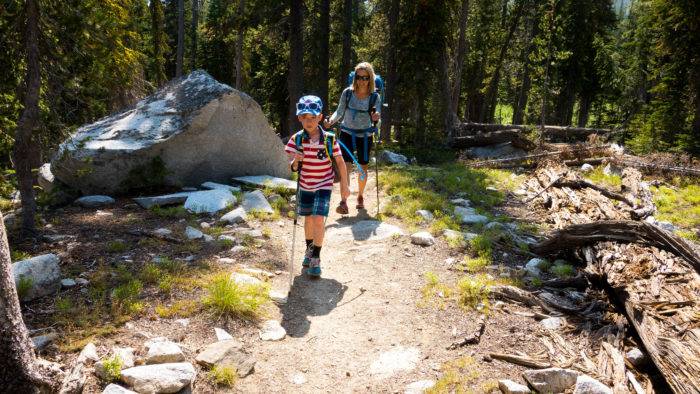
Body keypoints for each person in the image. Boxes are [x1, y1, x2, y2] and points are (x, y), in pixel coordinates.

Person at [285, 95, 350, 278]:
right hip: (305, 184)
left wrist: (345, 186)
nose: (309, 121)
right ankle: (308, 249)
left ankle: (316, 258)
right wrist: (296, 161)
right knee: (308, 220)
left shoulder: (329, 139)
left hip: (324, 184)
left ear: (320, 117)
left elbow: (340, 162)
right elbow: (293, 167)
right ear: (299, 118)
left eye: (313, 117)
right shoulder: (296, 140)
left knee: (318, 219)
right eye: (305, 117)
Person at [323, 62, 381, 213]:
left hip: (366, 135)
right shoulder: (347, 93)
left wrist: (376, 118)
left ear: (370, 79)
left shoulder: (375, 97)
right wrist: (330, 121)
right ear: (355, 77)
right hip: (347, 133)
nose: (362, 80)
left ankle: (360, 196)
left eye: (365, 77)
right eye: (359, 77)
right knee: (345, 167)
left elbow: (377, 119)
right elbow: (339, 111)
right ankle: (344, 201)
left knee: (363, 167)